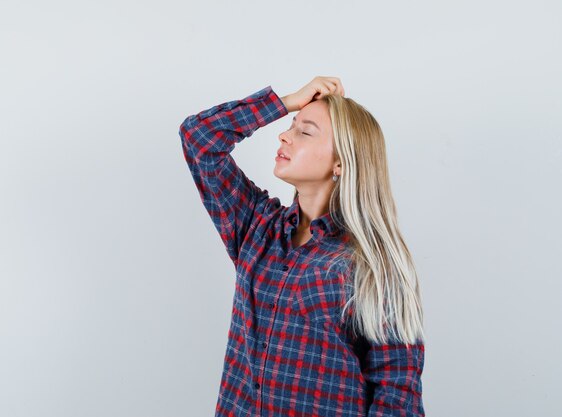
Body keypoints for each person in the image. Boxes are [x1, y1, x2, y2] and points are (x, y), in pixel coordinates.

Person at [178, 76, 426, 417]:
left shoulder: (371, 263)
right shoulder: (257, 228)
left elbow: (397, 396)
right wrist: (287, 102)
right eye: (291, 125)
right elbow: (199, 139)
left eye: (305, 131)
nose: (284, 135)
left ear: (341, 162)